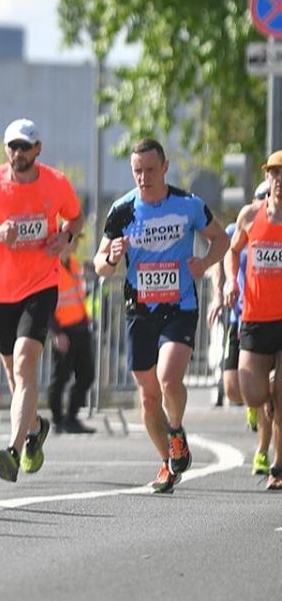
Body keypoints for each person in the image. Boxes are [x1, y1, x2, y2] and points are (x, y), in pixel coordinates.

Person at [95, 138, 228, 494]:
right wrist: (111, 257)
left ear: (165, 168)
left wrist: (203, 263)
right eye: (138, 171)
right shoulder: (122, 210)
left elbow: (221, 240)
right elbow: (99, 265)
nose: (144, 178)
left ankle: (176, 427)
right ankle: (168, 458)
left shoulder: (187, 205)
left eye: (151, 170)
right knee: (148, 396)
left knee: (169, 377)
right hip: (139, 310)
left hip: (180, 306)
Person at [0, 118, 84, 483]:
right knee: (17, 378)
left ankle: (12, 451)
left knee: (26, 363)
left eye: (25, 147)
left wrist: (66, 237)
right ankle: (36, 428)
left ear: (38, 149)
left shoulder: (55, 183)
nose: (18, 153)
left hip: (40, 285)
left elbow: (75, 217)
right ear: (5, 149)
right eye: (13, 146)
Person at [225, 152, 282, 489]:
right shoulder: (250, 215)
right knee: (252, 393)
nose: (280, 180)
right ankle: (270, 398)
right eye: (275, 174)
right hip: (256, 317)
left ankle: (278, 465)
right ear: (268, 179)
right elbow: (233, 251)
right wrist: (232, 281)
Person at [209, 180, 274, 475]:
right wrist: (221, 291)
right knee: (234, 390)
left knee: (273, 393)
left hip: (271, 316)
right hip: (242, 317)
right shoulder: (243, 226)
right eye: (260, 197)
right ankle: (256, 400)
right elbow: (224, 259)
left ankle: (264, 452)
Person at [48, 233, 97, 434]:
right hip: (64, 331)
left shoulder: (75, 265)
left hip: (80, 328)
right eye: (73, 239)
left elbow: (76, 294)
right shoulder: (51, 266)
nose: (76, 243)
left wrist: (85, 317)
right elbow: (47, 304)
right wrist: (56, 333)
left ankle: (71, 417)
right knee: (60, 376)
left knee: (87, 375)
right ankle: (58, 419)